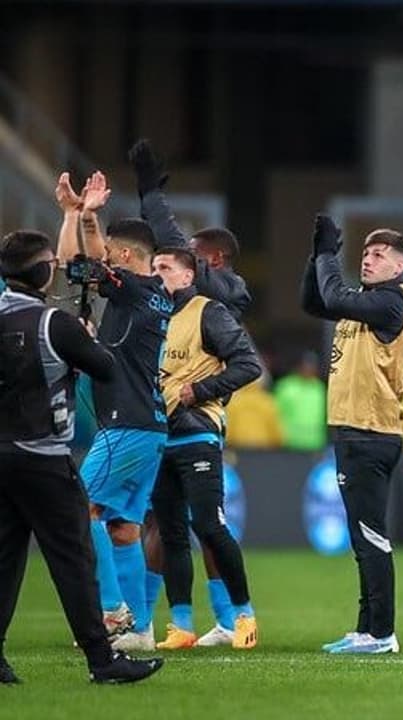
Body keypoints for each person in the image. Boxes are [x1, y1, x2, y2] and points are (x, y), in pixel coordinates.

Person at [0, 230, 164, 685]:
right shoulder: (54, 322)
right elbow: (104, 366)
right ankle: (102, 656)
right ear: (40, 272)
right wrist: (85, 339)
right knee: (73, 557)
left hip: (1, 455)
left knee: (5, 558)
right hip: (44, 459)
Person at [55, 171, 174, 653]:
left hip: (128, 424)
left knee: (77, 503)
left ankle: (111, 608)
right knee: (122, 526)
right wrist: (73, 215)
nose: (105, 257)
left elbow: (83, 260)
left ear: (124, 257)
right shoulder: (154, 295)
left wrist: (87, 216)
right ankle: (140, 629)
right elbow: (75, 266)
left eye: (111, 252)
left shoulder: (134, 288)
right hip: (148, 426)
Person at [302, 216, 403, 655]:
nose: (368, 260)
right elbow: (314, 301)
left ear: (398, 266)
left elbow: (331, 294)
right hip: (355, 429)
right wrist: (317, 254)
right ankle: (367, 628)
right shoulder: (364, 301)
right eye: (365, 254)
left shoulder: (393, 301)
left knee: (370, 535)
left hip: (372, 430)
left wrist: (330, 255)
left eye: (379, 256)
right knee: (360, 534)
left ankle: (382, 632)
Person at [148, 248, 263, 651]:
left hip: (197, 433)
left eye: (165, 268)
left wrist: (199, 391)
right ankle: (180, 624)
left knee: (209, 526)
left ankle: (243, 615)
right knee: (172, 533)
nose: (156, 273)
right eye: (153, 267)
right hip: (158, 436)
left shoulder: (207, 311)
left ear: (187, 276)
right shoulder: (153, 316)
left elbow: (249, 364)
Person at [129, 139, 251, 318]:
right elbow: (164, 245)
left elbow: (174, 246)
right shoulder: (186, 293)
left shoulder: (231, 289)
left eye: (193, 252)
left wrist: (152, 196)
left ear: (216, 259)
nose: (186, 257)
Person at [275, 352, 328, 451]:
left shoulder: (319, 388)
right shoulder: (285, 386)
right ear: (298, 366)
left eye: (312, 366)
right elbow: (275, 414)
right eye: (306, 365)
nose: (309, 369)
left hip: (315, 444)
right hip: (289, 444)